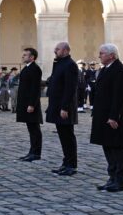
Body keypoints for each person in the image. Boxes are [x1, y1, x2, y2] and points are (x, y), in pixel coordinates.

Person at [91, 44, 123, 192]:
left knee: (117, 148)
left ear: (111, 55)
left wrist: (114, 117)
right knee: (107, 146)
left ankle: (120, 181)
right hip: (103, 115)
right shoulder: (105, 69)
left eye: (102, 53)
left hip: (114, 116)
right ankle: (112, 177)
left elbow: (119, 97)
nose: (99, 55)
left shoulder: (120, 70)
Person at [46, 42, 79, 176]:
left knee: (68, 136)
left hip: (65, 108)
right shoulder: (59, 63)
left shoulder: (70, 65)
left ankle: (71, 165)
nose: (55, 51)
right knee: (63, 136)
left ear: (65, 50)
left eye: (57, 49)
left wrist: (65, 107)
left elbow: (70, 88)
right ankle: (66, 163)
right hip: (57, 106)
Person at [16, 48, 43, 162]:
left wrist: (32, 104)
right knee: (31, 129)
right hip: (25, 103)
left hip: (31, 105)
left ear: (32, 57)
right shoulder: (27, 68)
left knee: (35, 129)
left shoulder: (35, 69)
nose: (23, 57)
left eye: (25, 55)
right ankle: (32, 151)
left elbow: (35, 89)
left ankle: (36, 153)